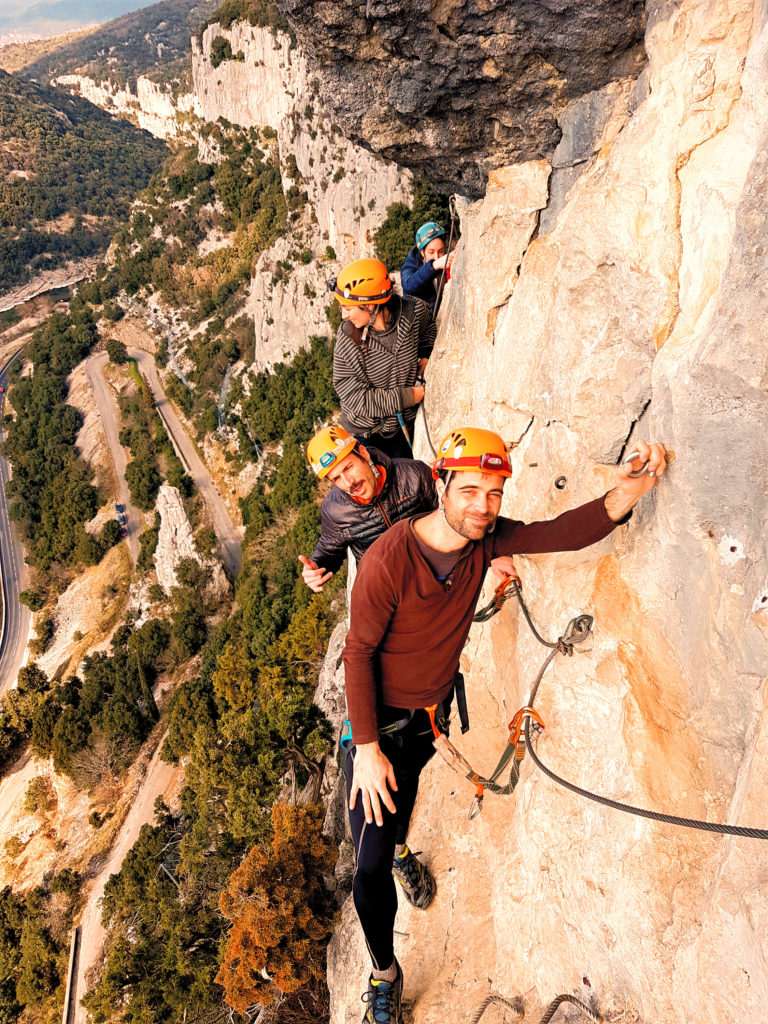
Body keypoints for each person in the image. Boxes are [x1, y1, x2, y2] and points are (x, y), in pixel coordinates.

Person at [342, 427, 668, 1023]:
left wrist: (623, 496)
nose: (483, 506)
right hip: (376, 730)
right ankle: (385, 971)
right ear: (440, 484)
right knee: (366, 869)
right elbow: (358, 650)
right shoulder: (390, 558)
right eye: (470, 491)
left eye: (494, 494)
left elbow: (557, 534)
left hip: (424, 726)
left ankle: (400, 847)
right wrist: (364, 745)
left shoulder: (483, 541)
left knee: (399, 815)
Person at [299, 424, 519, 593]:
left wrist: (492, 554)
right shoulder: (334, 509)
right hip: (383, 586)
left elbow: (457, 513)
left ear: (363, 454)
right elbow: (329, 549)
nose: (348, 483)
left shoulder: (413, 475)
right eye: (336, 478)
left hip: (430, 572)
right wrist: (317, 567)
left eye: (349, 468)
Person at [331, 258, 435, 461]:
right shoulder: (349, 339)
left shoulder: (412, 313)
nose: (343, 315)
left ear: (369, 305)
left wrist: (425, 353)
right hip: (368, 434)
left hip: (403, 425)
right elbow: (356, 399)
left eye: (348, 308)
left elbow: (428, 326)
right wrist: (407, 397)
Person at [400, 221, 455, 314]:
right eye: (431, 252)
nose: (437, 257)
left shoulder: (444, 259)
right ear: (421, 252)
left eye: (441, 251)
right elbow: (408, 285)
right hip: (419, 323)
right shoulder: (411, 265)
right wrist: (433, 266)